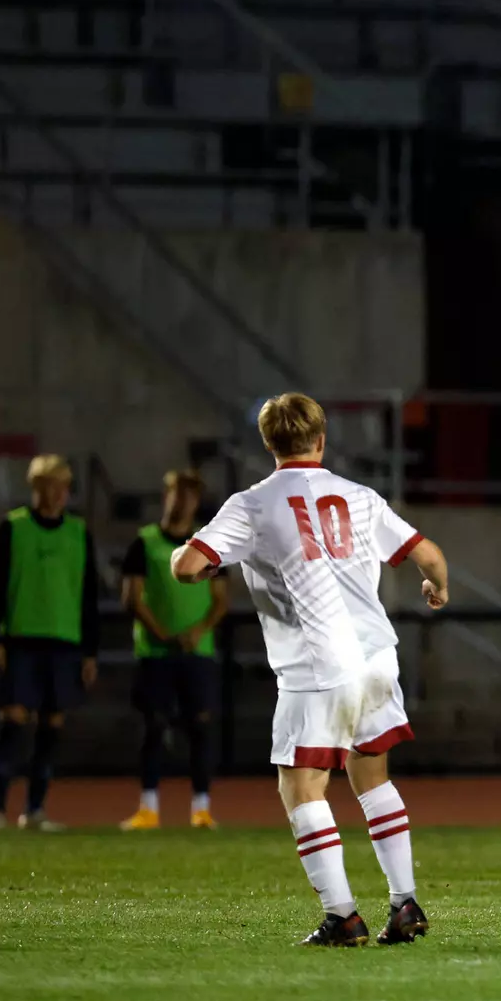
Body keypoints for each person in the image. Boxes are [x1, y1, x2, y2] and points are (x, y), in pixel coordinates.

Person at [172, 393, 449, 948]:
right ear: (321, 440)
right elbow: (430, 556)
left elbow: (189, 566)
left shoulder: (252, 504)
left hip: (317, 664)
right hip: (375, 655)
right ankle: (404, 901)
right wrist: (436, 587)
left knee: (301, 786)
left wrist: (191, 560)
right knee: (372, 776)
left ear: (269, 443)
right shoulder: (360, 496)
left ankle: (342, 917)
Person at [0, 455, 100, 833]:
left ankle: (35, 809)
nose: (57, 493)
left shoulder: (79, 533)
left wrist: (90, 651)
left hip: (64, 642)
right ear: (35, 487)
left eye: (63, 486)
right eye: (50, 485)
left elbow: (88, 596)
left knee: (51, 726)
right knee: (12, 722)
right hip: (21, 639)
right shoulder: (12, 528)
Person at [119, 470, 229, 831]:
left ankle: (201, 808)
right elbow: (131, 597)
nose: (182, 501)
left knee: (200, 728)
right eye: (177, 493)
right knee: (153, 726)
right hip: (155, 652)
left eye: (190, 495)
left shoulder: (208, 545)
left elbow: (221, 600)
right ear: (165, 496)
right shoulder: (145, 542)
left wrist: (197, 631)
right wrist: (162, 633)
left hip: (197, 652)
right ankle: (148, 807)